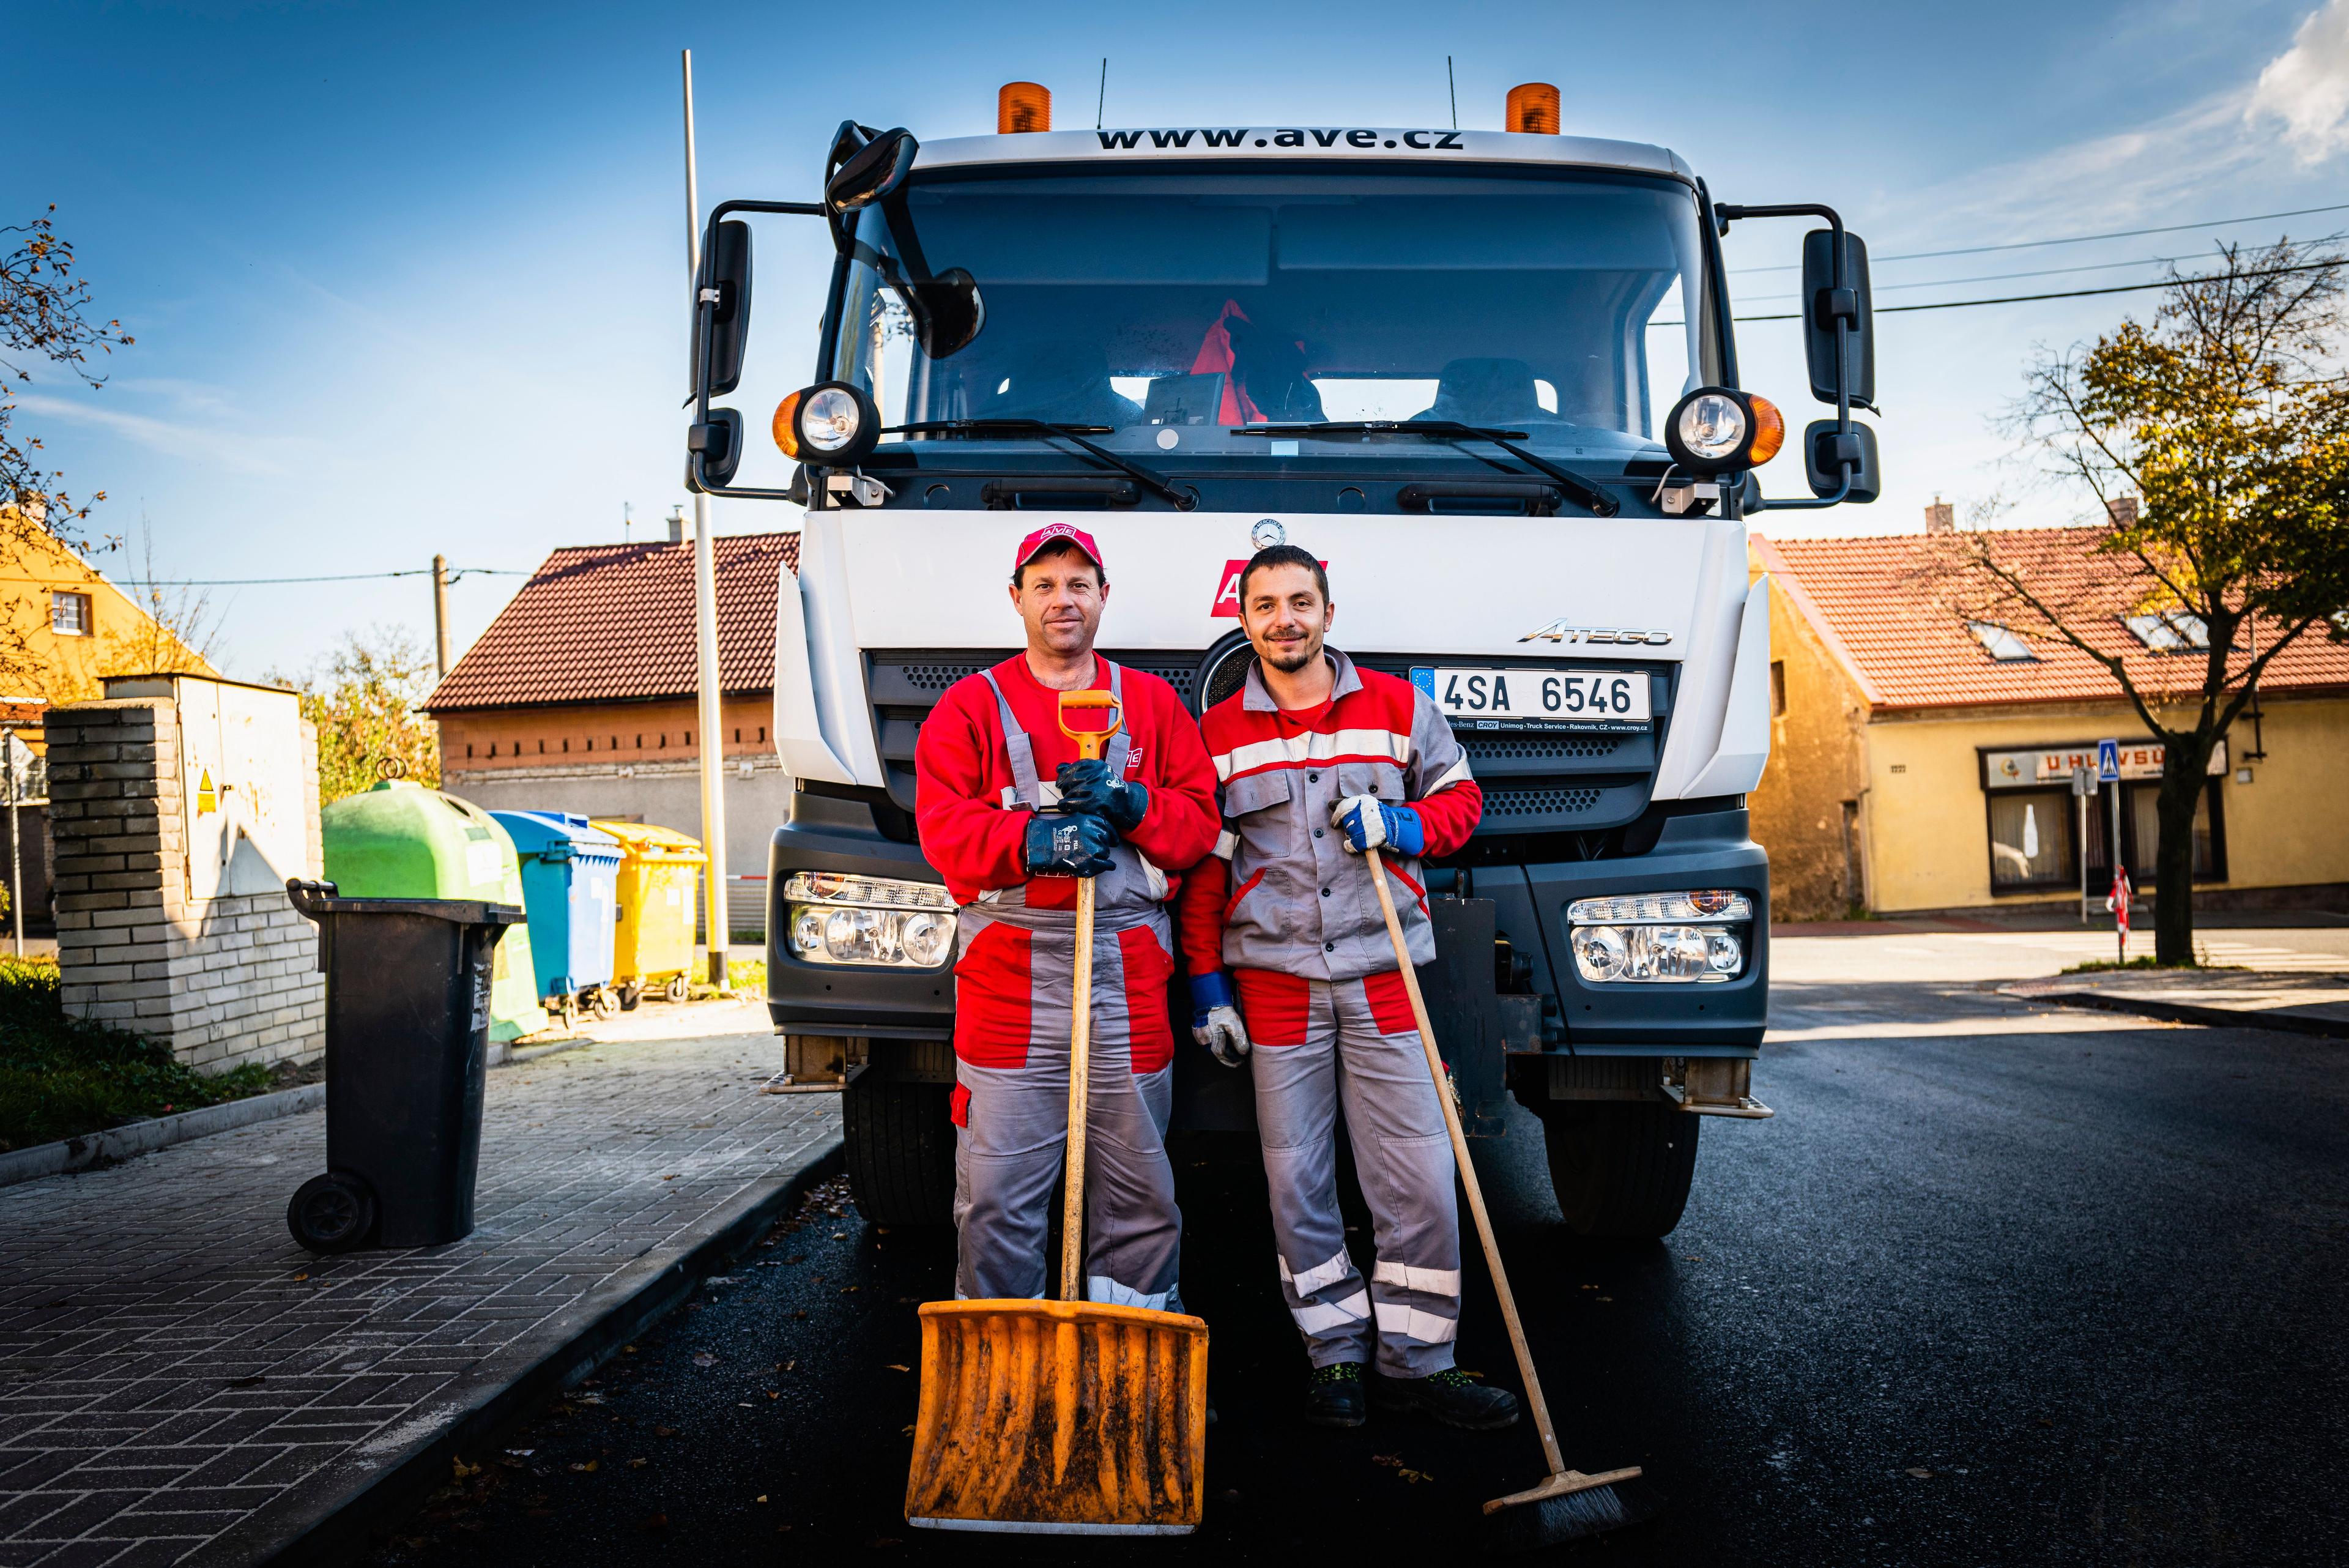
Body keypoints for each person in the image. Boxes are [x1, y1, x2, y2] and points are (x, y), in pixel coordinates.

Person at [1174, 544, 1519, 1432]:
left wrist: (1400, 820)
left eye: (1300, 601)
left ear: (1328, 611)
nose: (1283, 618)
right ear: (1242, 618)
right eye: (1264, 605)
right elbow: (1206, 874)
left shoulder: (1403, 710)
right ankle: (1334, 1356)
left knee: (1421, 1177)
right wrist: (1208, 983)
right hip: (1277, 982)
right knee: (1299, 1182)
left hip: (1384, 973)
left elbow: (1461, 804)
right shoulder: (1215, 735)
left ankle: (1421, 1360)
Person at [915, 523, 1220, 1309]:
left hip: (1127, 974)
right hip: (1009, 979)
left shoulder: (1150, 704)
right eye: (1045, 585)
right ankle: (999, 1378)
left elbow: (1200, 827)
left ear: (1104, 597)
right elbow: (943, 830)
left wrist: (1135, 804)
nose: (1063, 600)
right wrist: (1035, 837)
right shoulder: (969, 708)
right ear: (1016, 599)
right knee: (996, 1198)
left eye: (1079, 584)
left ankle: (1130, 1365)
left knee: (1140, 1197)